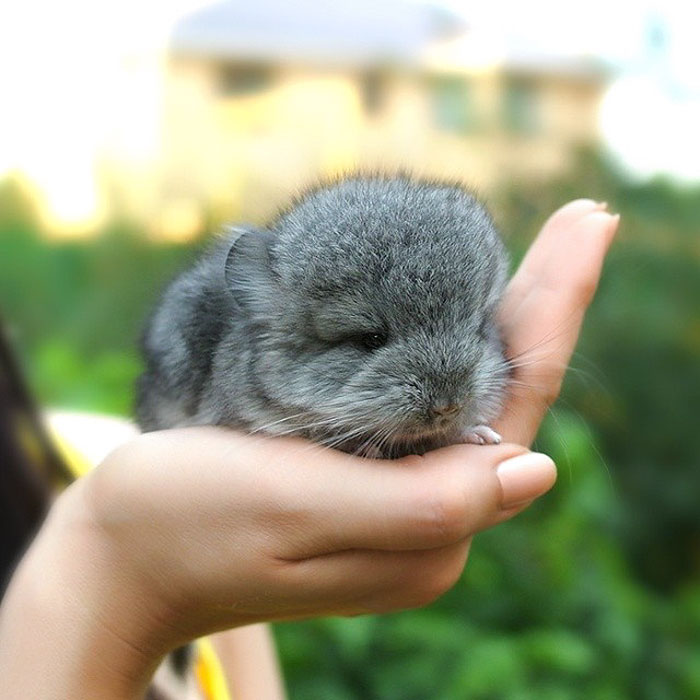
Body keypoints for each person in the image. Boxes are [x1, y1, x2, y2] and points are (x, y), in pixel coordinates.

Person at [0, 200, 618, 700]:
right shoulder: (145, 467)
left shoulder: (95, 448)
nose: (444, 398)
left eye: (474, 328)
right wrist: (118, 590)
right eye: (368, 338)